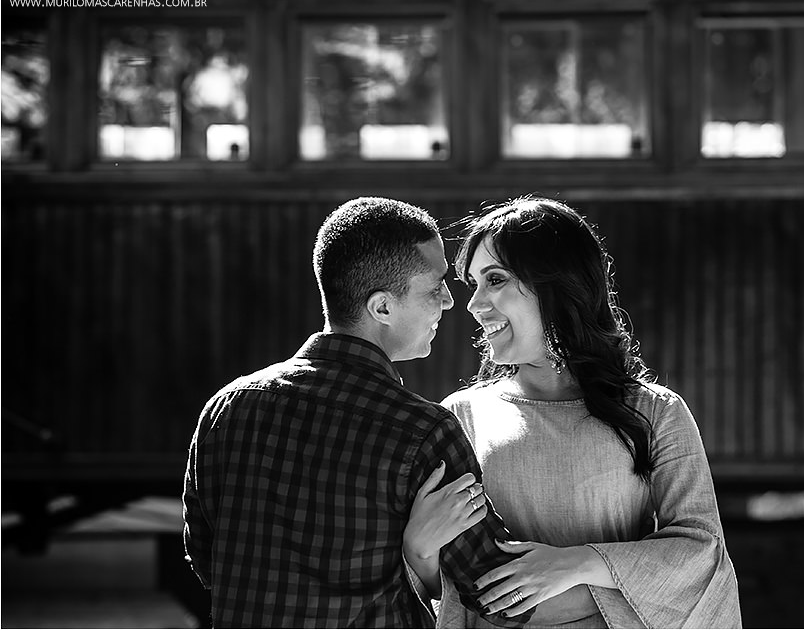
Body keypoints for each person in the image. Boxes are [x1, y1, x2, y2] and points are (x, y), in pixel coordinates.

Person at [181, 196, 539, 628]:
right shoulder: (422, 430)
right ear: (382, 308)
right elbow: (503, 596)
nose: (449, 302)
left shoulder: (227, 407)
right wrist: (606, 566)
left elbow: (206, 558)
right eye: (434, 287)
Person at [405, 196, 743, 628]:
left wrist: (578, 563)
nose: (473, 304)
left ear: (558, 284)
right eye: (473, 284)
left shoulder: (655, 412)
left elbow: (702, 554)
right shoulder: (460, 417)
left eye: (495, 279)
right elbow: (439, 582)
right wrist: (418, 552)